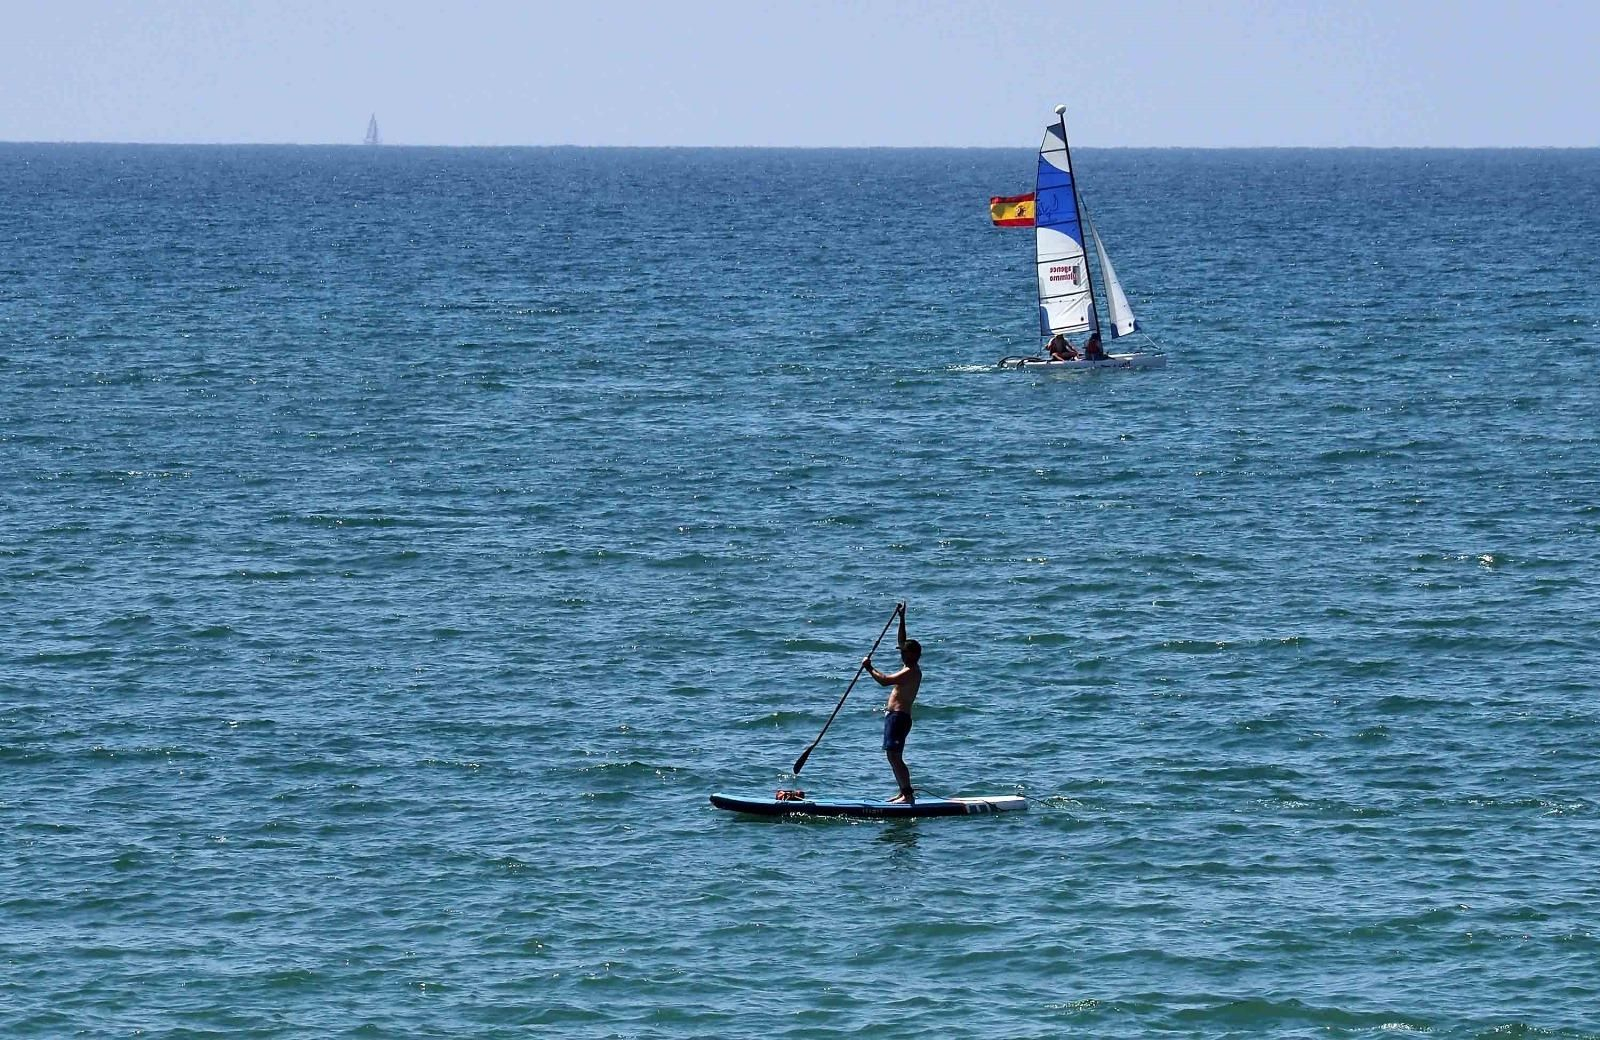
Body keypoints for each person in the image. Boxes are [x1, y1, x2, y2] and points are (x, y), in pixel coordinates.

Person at [863, 602, 922, 803]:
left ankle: (908, 795)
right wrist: (902, 618)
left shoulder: (910, 671)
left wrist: (869, 668)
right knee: (892, 755)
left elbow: (885, 681)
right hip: (895, 717)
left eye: (905, 652)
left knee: (895, 756)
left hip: (899, 718)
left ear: (912, 655)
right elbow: (902, 640)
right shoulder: (909, 663)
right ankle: (903, 791)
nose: (901, 653)